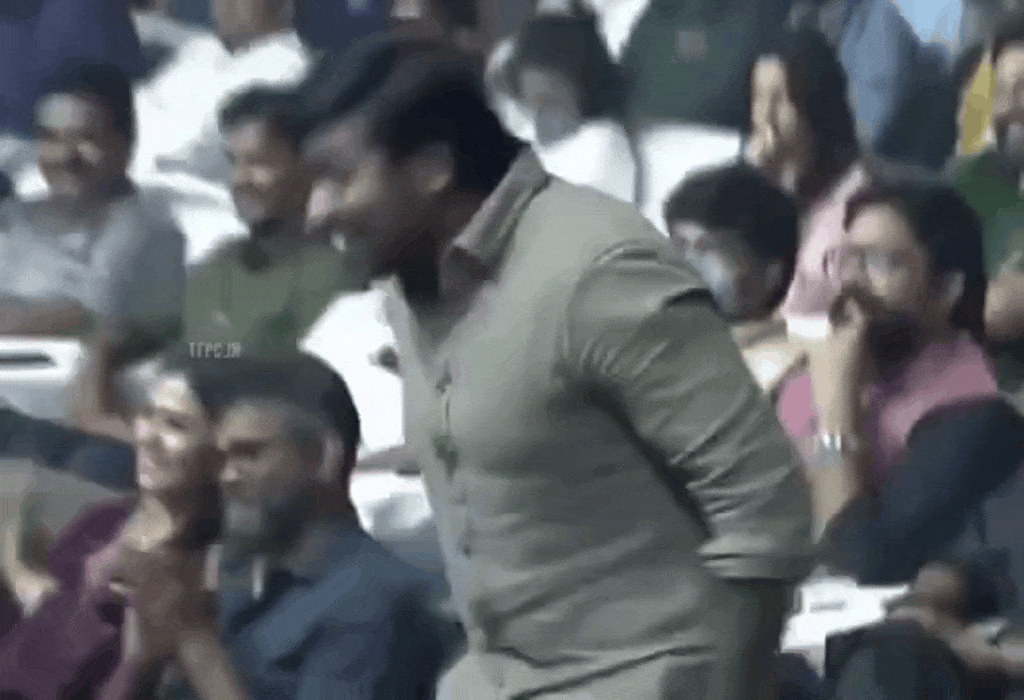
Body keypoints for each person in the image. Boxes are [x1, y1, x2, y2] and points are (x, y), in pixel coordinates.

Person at [298, 34, 813, 699]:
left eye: (337, 179)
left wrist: (716, 684)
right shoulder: (410, 284)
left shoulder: (595, 271)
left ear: (432, 169)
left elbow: (766, 509)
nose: (315, 213)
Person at [124, 353, 460, 699]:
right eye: (222, 458)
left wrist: (195, 643)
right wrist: (151, 643)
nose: (227, 476)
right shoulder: (243, 572)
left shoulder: (373, 602)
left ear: (323, 456)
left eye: (249, 454)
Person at [776, 182, 1024, 584]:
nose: (852, 282)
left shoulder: (970, 415)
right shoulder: (814, 376)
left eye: (882, 263)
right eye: (846, 259)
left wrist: (835, 411)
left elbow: (860, 556)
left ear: (945, 290)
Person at [0, 349, 230, 699]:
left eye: (176, 425)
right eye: (147, 416)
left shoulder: (188, 570)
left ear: (219, 454)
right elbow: (48, 616)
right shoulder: (106, 520)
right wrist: (19, 566)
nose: (147, 437)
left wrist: (142, 655)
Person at [0, 60, 185, 343]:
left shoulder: (151, 230)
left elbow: (94, 318)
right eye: (51, 138)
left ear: (126, 142)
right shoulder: (12, 218)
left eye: (85, 138)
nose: (66, 156)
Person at [184, 87, 367, 356]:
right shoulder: (222, 263)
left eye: (258, 163)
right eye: (234, 163)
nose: (239, 180)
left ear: (308, 164)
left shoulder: (345, 270)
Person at [747, 27, 865, 330]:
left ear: (814, 103)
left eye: (781, 99)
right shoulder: (761, 182)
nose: (766, 116)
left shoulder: (854, 197)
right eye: (759, 98)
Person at [132, 0, 311, 182]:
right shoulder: (202, 49)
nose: (224, 4)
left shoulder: (285, 66)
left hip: (198, 188)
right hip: (140, 172)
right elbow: (136, 108)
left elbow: (197, 151)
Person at [662, 163, 801, 392]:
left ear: (771, 273)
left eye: (709, 249)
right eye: (680, 245)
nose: (688, 265)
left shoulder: (786, 370)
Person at [488, 9, 636, 203]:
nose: (544, 118)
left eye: (551, 101)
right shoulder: (543, 153)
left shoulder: (603, 144)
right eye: (537, 107)